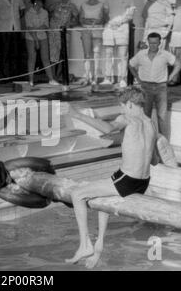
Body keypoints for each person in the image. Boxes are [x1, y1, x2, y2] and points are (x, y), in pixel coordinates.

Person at [64, 86, 158, 268]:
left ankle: (85, 245)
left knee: (77, 194)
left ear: (130, 104)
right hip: (143, 181)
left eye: (122, 106)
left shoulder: (127, 118)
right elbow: (153, 160)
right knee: (103, 199)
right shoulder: (151, 123)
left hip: (127, 180)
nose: (121, 110)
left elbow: (107, 129)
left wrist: (77, 115)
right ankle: (98, 246)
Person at [129, 32, 181, 137]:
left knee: (162, 117)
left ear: (159, 43)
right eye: (151, 43)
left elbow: (179, 65)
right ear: (148, 42)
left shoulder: (165, 54)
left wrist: (170, 77)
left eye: (155, 43)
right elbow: (131, 65)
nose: (153, 45)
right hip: (145, 88)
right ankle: (147, 140)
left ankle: (163, 142)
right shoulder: (141, 54)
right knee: (145, 116)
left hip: (161, 88)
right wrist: (138, 79)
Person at [102, 0, 136, 87]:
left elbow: (130, 15)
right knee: (108, 54)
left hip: (122, 28)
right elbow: (105, 13)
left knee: (123, 56)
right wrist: (110, 22)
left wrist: (119, 21)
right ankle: (108, 78)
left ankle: (123, 79)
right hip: (110, 28)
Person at [25, 0, 57, 86]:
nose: (38, 4)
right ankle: (30, 80)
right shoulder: (28, 13)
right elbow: (29, 28)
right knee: (32, 58)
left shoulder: (45, 12)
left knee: (45, 58)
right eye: (36, 2)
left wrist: (39, 29)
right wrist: (36, 40)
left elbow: (45, 26)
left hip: (43, 37)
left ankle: (51, 79)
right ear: (33, 2)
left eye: (40, 2)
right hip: (31, 38)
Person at [79, 0, 108, 85]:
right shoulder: (83, 5)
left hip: (98, 31)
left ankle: (95, 78)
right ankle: (87, 77)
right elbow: (81, 19)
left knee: (96, 54)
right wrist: (93, 21)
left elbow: (103, 19)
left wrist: (90, 21)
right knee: (87, 55)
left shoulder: (101, 5)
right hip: (86, 31)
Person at [48, 0, 78, 81]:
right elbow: (47, 15)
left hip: (65, 33)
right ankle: (52, 77)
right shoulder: (54, 5)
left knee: (63, 55)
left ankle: (59, 75)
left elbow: (76, 20)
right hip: (53, 33)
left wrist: (70, 24)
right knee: (53, 55)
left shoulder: (72, 6)